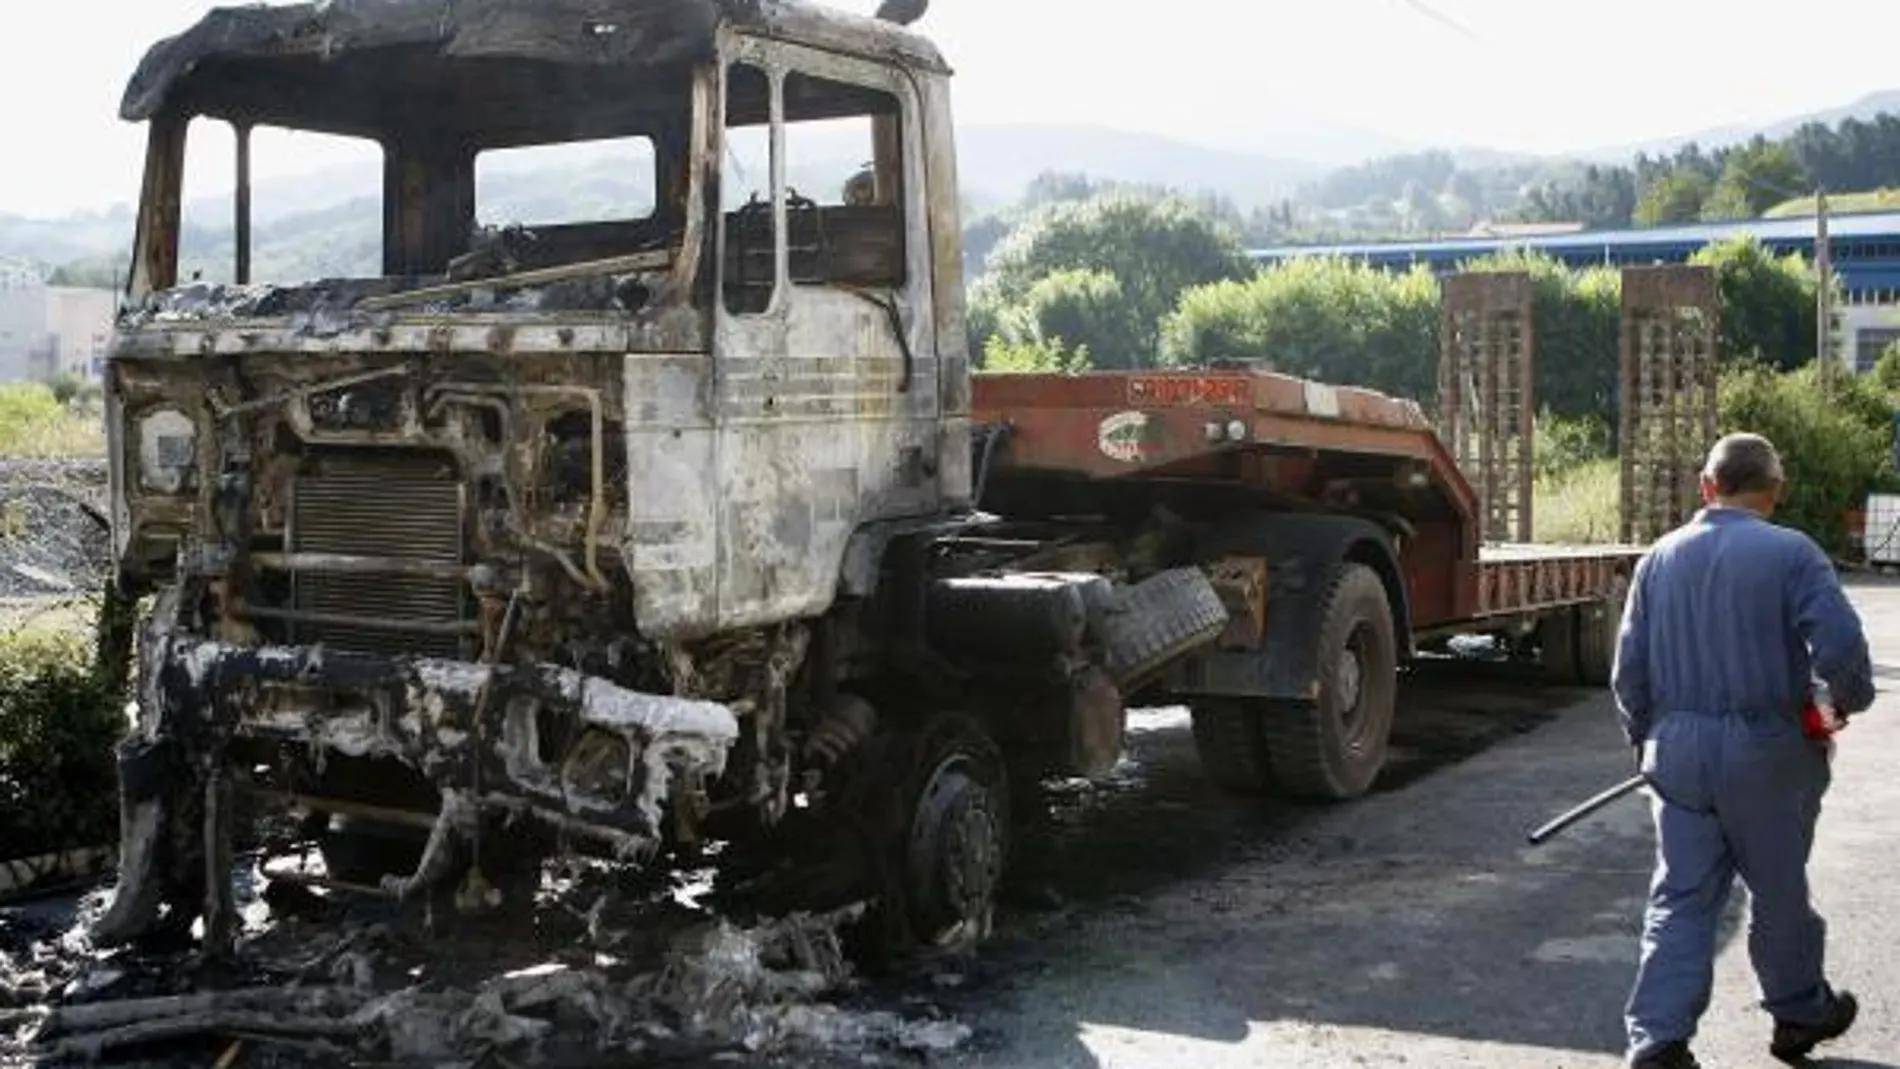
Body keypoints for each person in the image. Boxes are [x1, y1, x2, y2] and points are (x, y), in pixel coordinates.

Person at [1611, 432, 1874, 1069]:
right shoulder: (1792, 553)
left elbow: (1629, 672)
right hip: (1767, 749)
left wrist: (1645, 740)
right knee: (1778, 890)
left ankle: (1659, 1042)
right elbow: (1839, 644)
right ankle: (1797, 1012)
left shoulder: (1659, 559)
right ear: (1775, 492)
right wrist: (1847, 700)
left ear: (1707, 486)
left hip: (1676, 752)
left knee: (1679, 898)